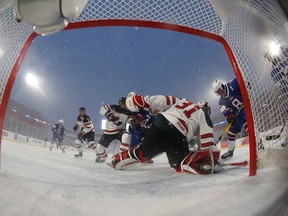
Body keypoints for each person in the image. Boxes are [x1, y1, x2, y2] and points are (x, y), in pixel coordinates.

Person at [109, 99, 221, 175]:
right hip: (177, 134)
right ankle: (204, 165)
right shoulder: (203, 114)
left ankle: (117, 160)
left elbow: (164, 99)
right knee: (178, 162)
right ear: (206, 108)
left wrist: (145, 99)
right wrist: (212, 155)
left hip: (161, 124)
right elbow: (207, 138)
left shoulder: (183, 100)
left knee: (142, 153)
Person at [212, 78, 248, 160]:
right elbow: (226, 111)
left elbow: (245, 82)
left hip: (246, 108)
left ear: (222, 86)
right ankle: (230, 151)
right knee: (231, 131)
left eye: (220, 91)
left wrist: (246, 91)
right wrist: (230, 117)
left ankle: (259, 143)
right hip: (237, 115)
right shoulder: (221, 102)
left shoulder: (233, 84)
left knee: (248, 126)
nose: (220, 94)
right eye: (217, 93)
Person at [94, 97, 133, 163]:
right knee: (99, 147)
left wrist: (129, 121)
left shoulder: (129, 112)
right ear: (120, 103)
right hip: (108, 131)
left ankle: (121, 156)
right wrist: (108, 114)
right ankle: (103, 157)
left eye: (126, 103)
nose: (125, 105)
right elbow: (102, 109)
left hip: (120, 131)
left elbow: (131, 119)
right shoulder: (114, 107)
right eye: (123, 103)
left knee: (126, 136)